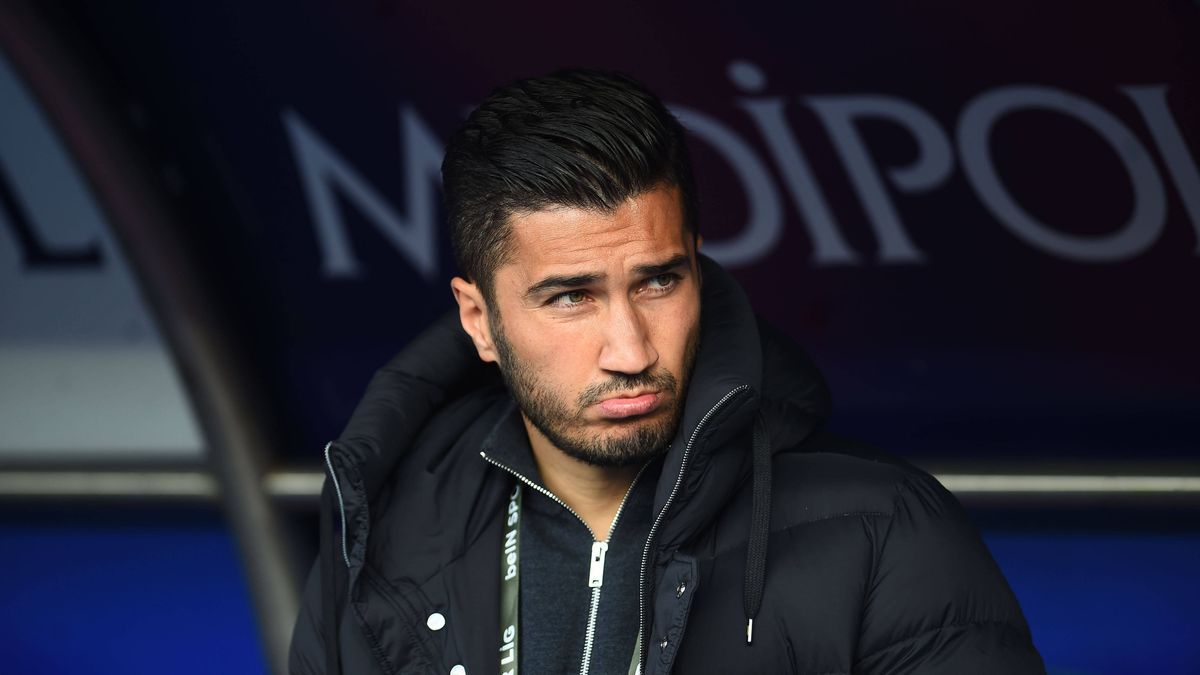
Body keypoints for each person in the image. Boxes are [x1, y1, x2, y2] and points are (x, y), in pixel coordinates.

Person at [289, 69, 1044, 675]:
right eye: (572, 297)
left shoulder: (885, 529)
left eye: (657, 282)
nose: (631, 349)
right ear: (479, 320)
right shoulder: (384, 536)